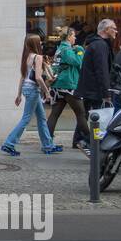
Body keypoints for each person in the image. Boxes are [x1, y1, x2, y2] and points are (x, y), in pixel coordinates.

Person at [0, 33, 62, 156]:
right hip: (33, 90)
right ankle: (9, 143)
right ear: (36, 44)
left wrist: (19, 94)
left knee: (41, 118)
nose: (41, 44)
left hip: (27, 89)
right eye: (39, 42)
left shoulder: (26, 56)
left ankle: (48, 145)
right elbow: (38, 78)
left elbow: (23, 76)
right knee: (26, 118)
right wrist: (47, 92)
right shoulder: (38, 57)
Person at [45, 26, 89, 154]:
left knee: (55, 114)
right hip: (68, 85)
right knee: (81, 113)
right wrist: (80, 50)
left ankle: (47, 142)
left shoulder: (60, 49)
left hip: (58, 86)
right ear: (69, 36)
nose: (75, 38)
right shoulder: (66, 49)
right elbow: (77, 62)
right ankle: (93, 141)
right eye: (74, 35)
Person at [75, 17, 118, 137]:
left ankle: (79, 139)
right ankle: (92, 140)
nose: (116, 31)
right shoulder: (100, 45)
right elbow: (102, 70)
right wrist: (106, 93)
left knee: (86, 115)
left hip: (90, 87)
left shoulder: (96, 44)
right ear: (106, 29)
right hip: (95, 89)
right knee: (97, 116)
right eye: (114, 28)